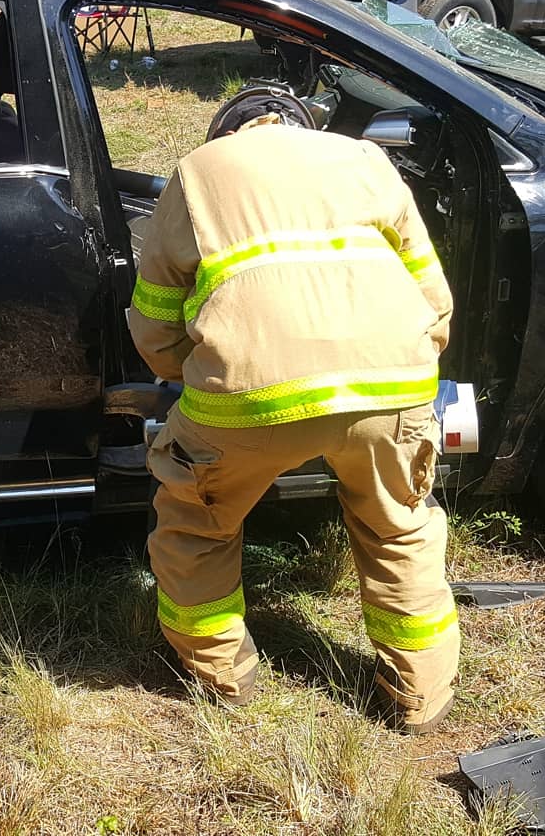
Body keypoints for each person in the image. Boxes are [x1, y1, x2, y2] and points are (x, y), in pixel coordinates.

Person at [128, 112, 457, 734]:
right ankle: (421, 696)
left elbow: (155, 320)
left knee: (197, 523)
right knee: (399, 528)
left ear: (228, 133)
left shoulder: (197, 173)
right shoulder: (367, 158)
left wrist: (188, 371)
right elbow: (433, 299)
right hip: (390, 386)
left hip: (247, 398)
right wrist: (409, 367)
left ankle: (224, 675)